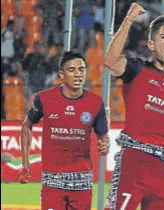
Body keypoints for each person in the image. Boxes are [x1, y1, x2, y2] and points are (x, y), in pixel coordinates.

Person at [104, 3, 164, 210]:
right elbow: (110, 61)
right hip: (134, 162)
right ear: (152, 45)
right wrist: (129, 19)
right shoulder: (136, 70)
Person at [19, 51, 110, 210]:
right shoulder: (44, 98)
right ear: (62, 74)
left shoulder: (95, 103)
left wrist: (105, 143)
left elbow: (103, 134)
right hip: (52, 182)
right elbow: (26, 125)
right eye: (72, 70)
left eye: (81, 69)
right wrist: (25, 162)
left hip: (82, 182)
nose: (78, 74)